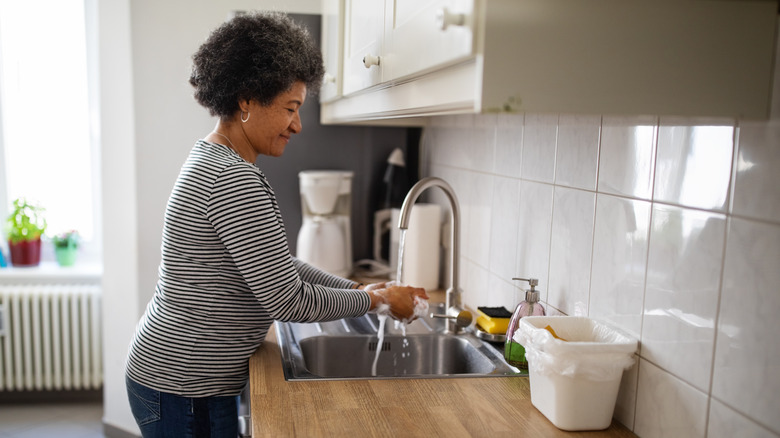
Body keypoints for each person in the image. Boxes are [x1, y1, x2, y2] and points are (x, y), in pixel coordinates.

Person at [125, 11, 428, 437]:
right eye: (290, 108)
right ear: (247, 98)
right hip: (183, 387)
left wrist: (360, 290)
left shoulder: (218, 159)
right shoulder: (232, 177)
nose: (298, 125)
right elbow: (289, 301)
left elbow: (277, 264)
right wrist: (377, 302)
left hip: (187, 381)